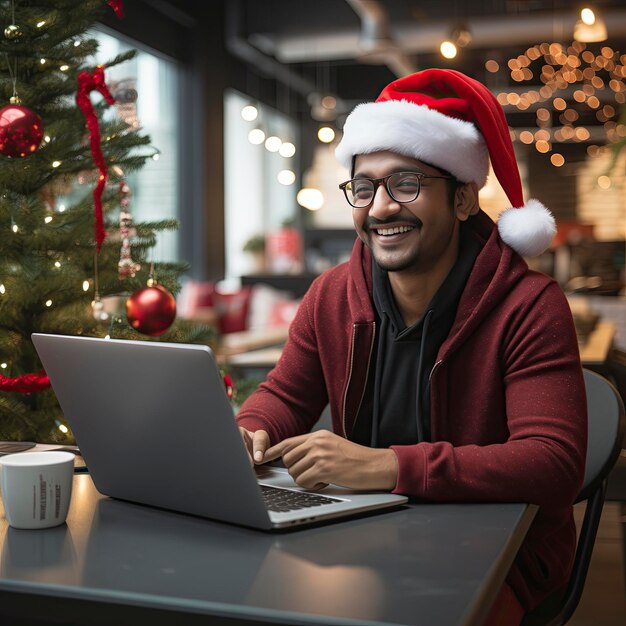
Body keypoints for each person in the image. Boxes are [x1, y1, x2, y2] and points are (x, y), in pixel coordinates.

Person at [236, 68, 587, 625]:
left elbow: (551, 465)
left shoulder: (529, 305)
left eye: (406, 184)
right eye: (365, 186)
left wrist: (386, 466)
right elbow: (283, 394)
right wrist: (250, 429)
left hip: (498, 551)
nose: (379, 208)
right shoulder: (330, 295)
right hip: (361, 533)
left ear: (465, 199)